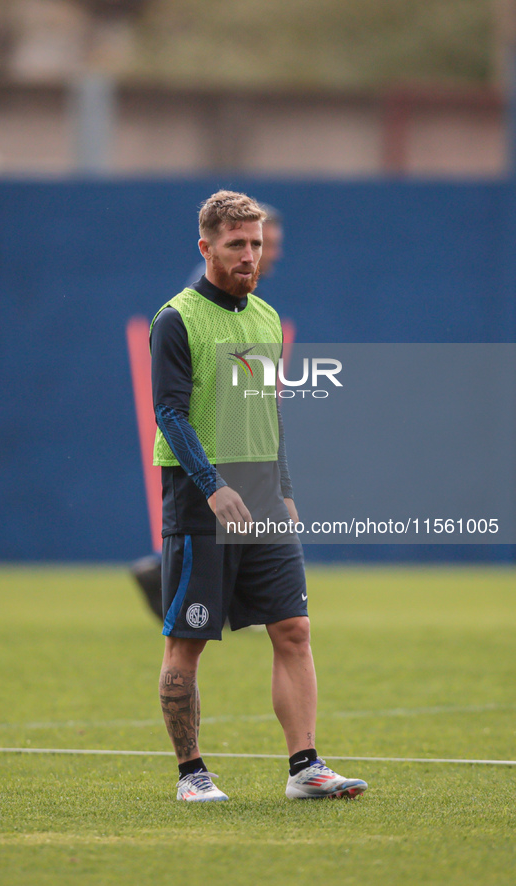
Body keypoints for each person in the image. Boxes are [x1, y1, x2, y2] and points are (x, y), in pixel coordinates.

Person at [149, 189, 368, 802]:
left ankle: (306, 768)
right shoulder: (177, 318)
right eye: (236, 244)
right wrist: (214, 488)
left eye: (256, 244)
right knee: (187, 642)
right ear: (207, 247)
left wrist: (287, 489)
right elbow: (169, 412)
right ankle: (191, 775)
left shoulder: (267, 319)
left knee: (294, 630)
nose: (250, 255)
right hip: (200, 503)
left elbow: (267, 414)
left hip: (265, 503)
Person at [131, 204, 284, 622]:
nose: (263, 254)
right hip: (211, 456)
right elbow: (181, 397)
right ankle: (167, 574)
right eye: (251, 244)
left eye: (263, 244)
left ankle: (173, 575)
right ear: (211, 249)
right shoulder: (195, 308)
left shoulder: (254, 310)